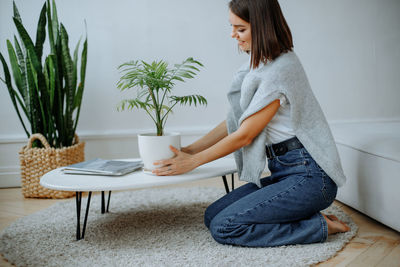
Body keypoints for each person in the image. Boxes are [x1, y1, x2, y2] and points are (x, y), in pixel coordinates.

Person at [153, 0, 350, 247]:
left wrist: (192, 162)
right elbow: (235, 122)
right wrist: (190, 150)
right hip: (285, 172)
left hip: (310, 178)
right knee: (212, 215)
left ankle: (318, 226)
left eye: (241, 29)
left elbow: (245, 135)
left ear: (262, 26)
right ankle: (301, 215)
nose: (233, 35)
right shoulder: (258, 64)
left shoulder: (281, 68)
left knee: (225, 227)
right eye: (232, 27)